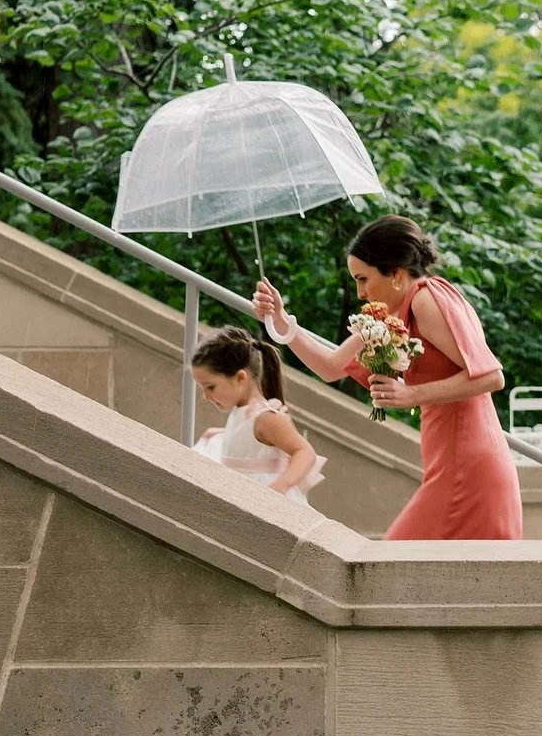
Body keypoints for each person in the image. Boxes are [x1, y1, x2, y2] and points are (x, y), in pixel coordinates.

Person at [252, 215, 522, 540]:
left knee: (389, 566)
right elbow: (331, 366)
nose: (360, 292)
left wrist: (411, 395)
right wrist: (279, 320)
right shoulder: (391, 313)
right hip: (447, 460)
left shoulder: (426, 299)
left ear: (395, 272)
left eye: (363, 279)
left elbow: (491, 377)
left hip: (468, 462)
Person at [190, 326, 324, 502]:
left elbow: (305, 452)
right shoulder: (242, 409)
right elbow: (248, 442)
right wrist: (220, 435)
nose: (206, 396)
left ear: (240, 378)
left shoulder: (266, 418)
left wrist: (281, 485)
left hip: (261, 495)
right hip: (238, 487)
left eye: (210, 387)